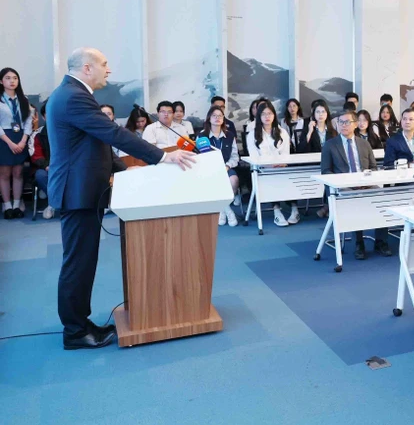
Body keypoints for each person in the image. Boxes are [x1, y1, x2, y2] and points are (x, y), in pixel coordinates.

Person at [47, 48, 194, 349]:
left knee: (83, 260)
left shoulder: (71, 93)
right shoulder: (73, 96)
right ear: (87, 68)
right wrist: (162, 158)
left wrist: (126, 170)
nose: (108, 70)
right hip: (77, 192)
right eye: (104, 64)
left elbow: (92, 144)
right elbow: (111, 133)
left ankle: (80, 322)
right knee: (78, 262)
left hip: (82, 190)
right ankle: (75, 332)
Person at [321, 110, 392, 259]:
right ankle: (358, 243)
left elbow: (373, 167)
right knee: (354, 200)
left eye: (347, 122)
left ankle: (381, 241)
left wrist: (366, 181)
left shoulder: (364, 143)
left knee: (383, 198)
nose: (343, 125)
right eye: (341, 122)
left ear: (355, 124)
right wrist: (346, 182)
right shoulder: (330, 145)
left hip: (366, 184)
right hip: (343, 187)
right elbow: (326, 172)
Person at [247, 100, 300, 227]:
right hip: (263, 170)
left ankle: (294, 209)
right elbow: (254, 157)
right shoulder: (252, 135)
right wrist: (270, 165)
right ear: (259, 117)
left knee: (288, 176)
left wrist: (281, 163)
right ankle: (277, 211)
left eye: (270, 113)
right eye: (264, 114)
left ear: (274, 115)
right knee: (272, 178)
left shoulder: (282, 132)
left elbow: (286, 154)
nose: (267, 117)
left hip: (282, 167)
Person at [200, 105, 240, 227]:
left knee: (234, 180)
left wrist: (227, 166)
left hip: (226, 168)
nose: (217, 118)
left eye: (220, 116)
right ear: (209, 118)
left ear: (223, 119)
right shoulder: (202, 136)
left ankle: (221, 209)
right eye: (214, 116)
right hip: (209, 170)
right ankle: (227, 210)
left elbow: (235, 157)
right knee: (213, 181)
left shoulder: (230, 136)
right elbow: (200, 157)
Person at [1, 67, 33, 217]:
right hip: (4, 138)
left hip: (20, 137)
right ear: (1, 81)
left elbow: (28, 122)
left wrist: (23, 140)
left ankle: (17, 203)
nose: (12, 81)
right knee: (5, 173)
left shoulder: (23, 100)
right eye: (8, 78)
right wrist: (9, 142)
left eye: (15, 78)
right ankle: (6, 205)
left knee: (18, 172)